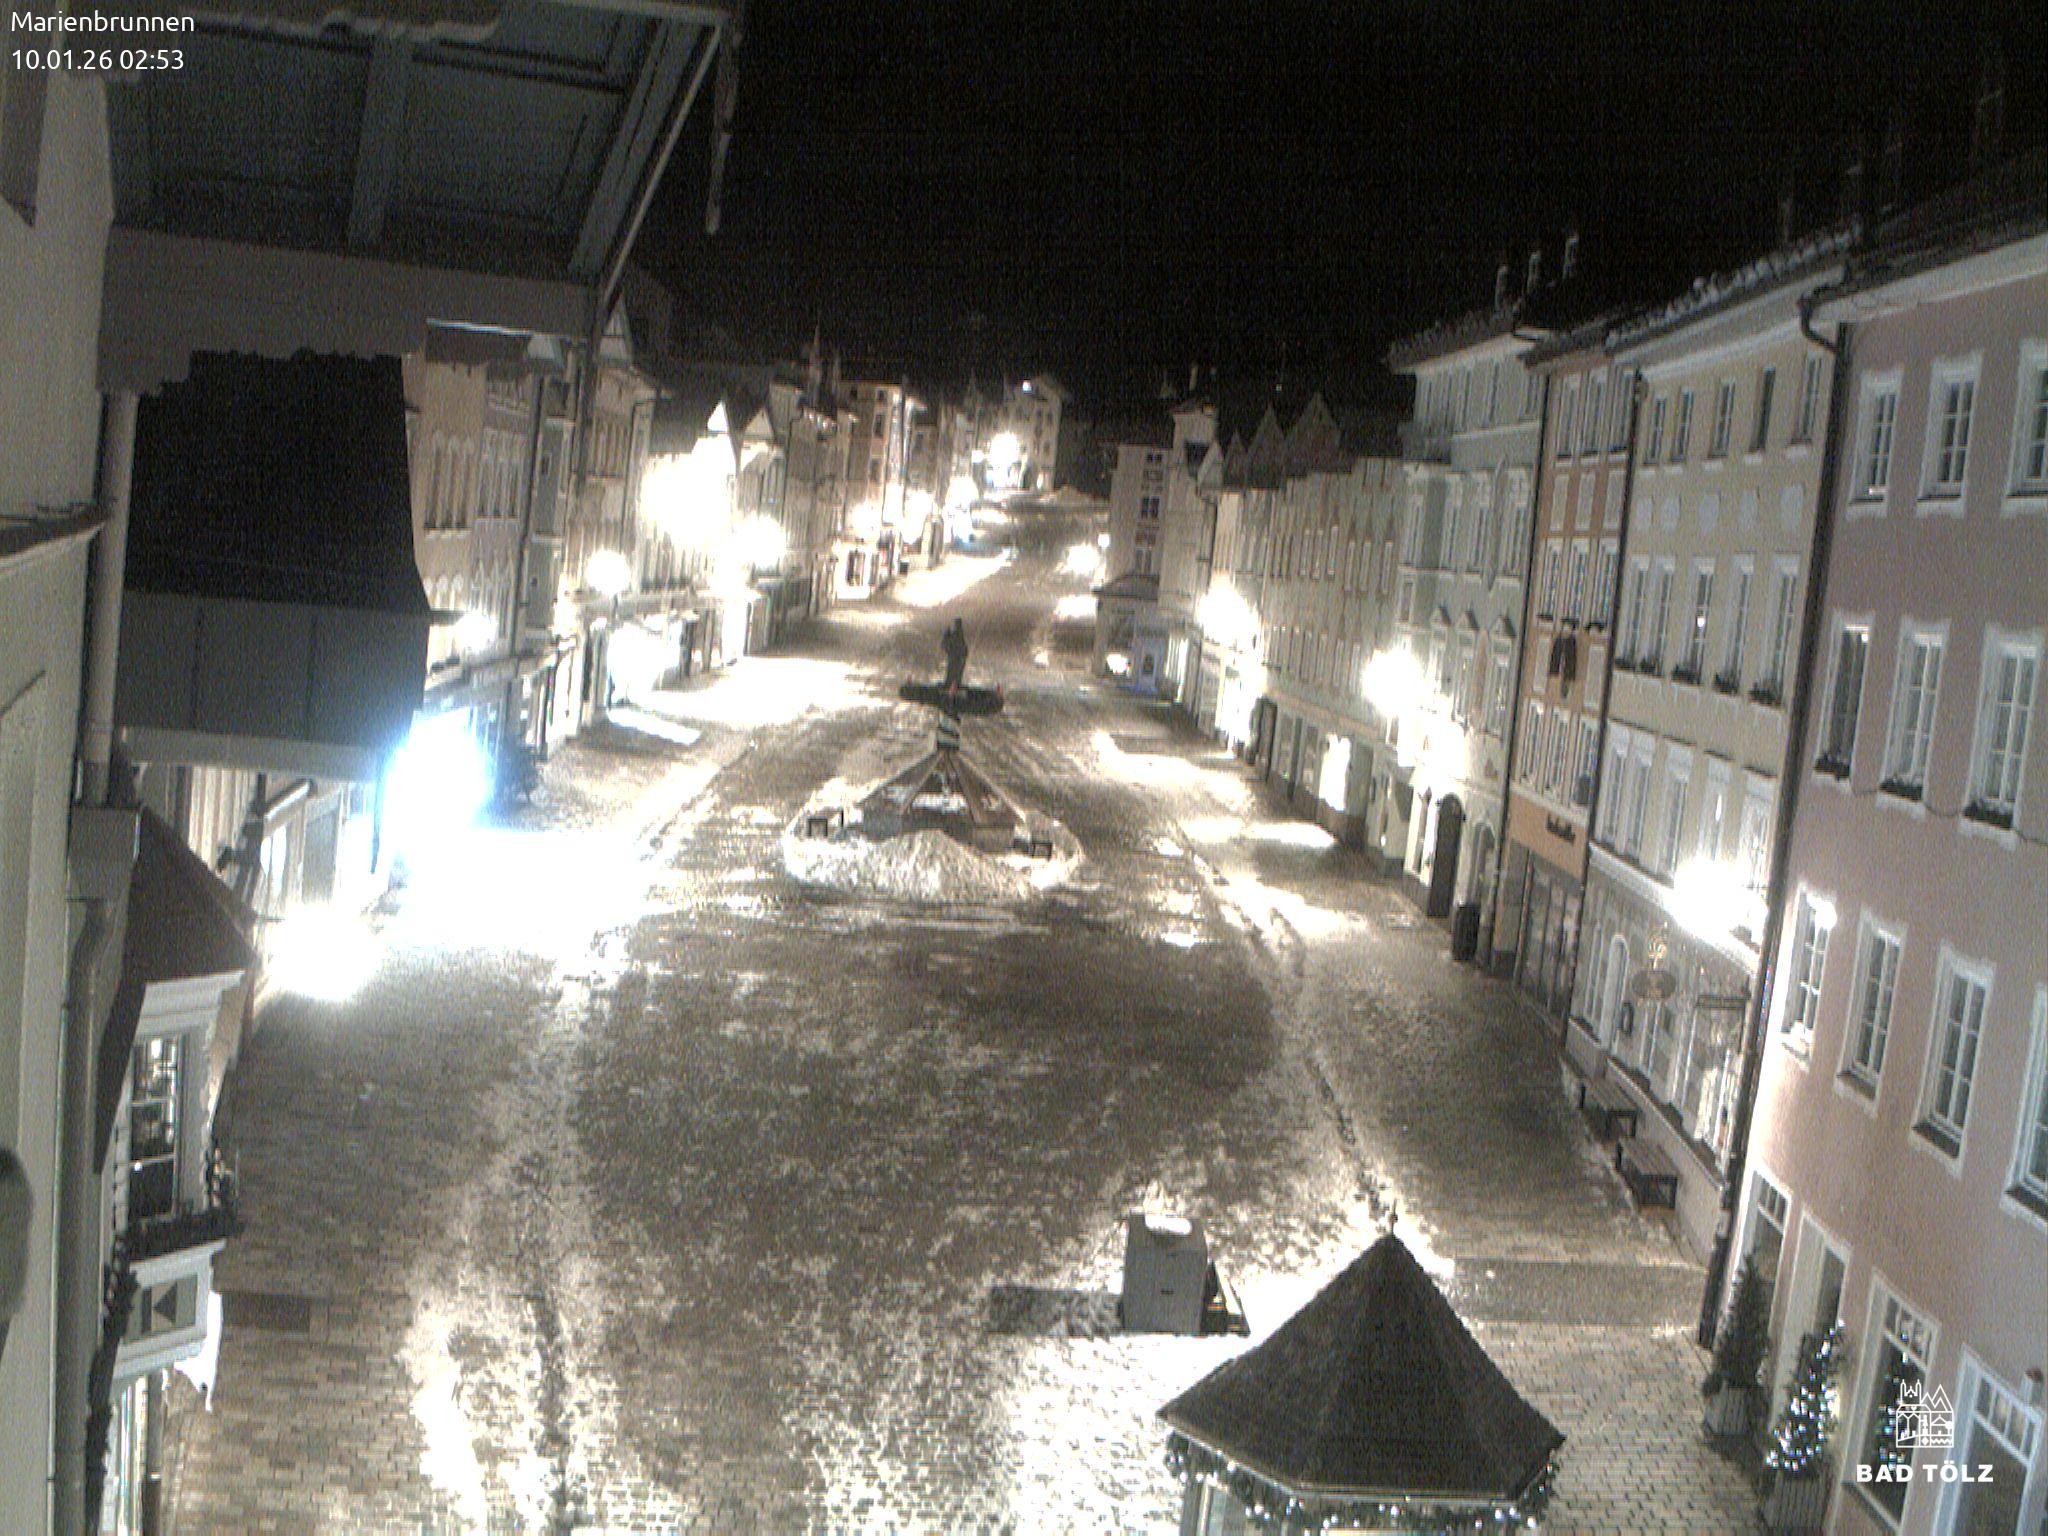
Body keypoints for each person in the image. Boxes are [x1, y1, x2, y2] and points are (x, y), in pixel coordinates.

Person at [941, 617, 969, 691]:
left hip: (957, 657)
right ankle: (953, 685)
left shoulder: (956, 634)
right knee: (956, 672)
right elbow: (946, 645)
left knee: (953, 671)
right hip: (958, 657)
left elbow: (945, 645)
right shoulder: (958, 634)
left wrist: (946, 636)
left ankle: (951, 685)